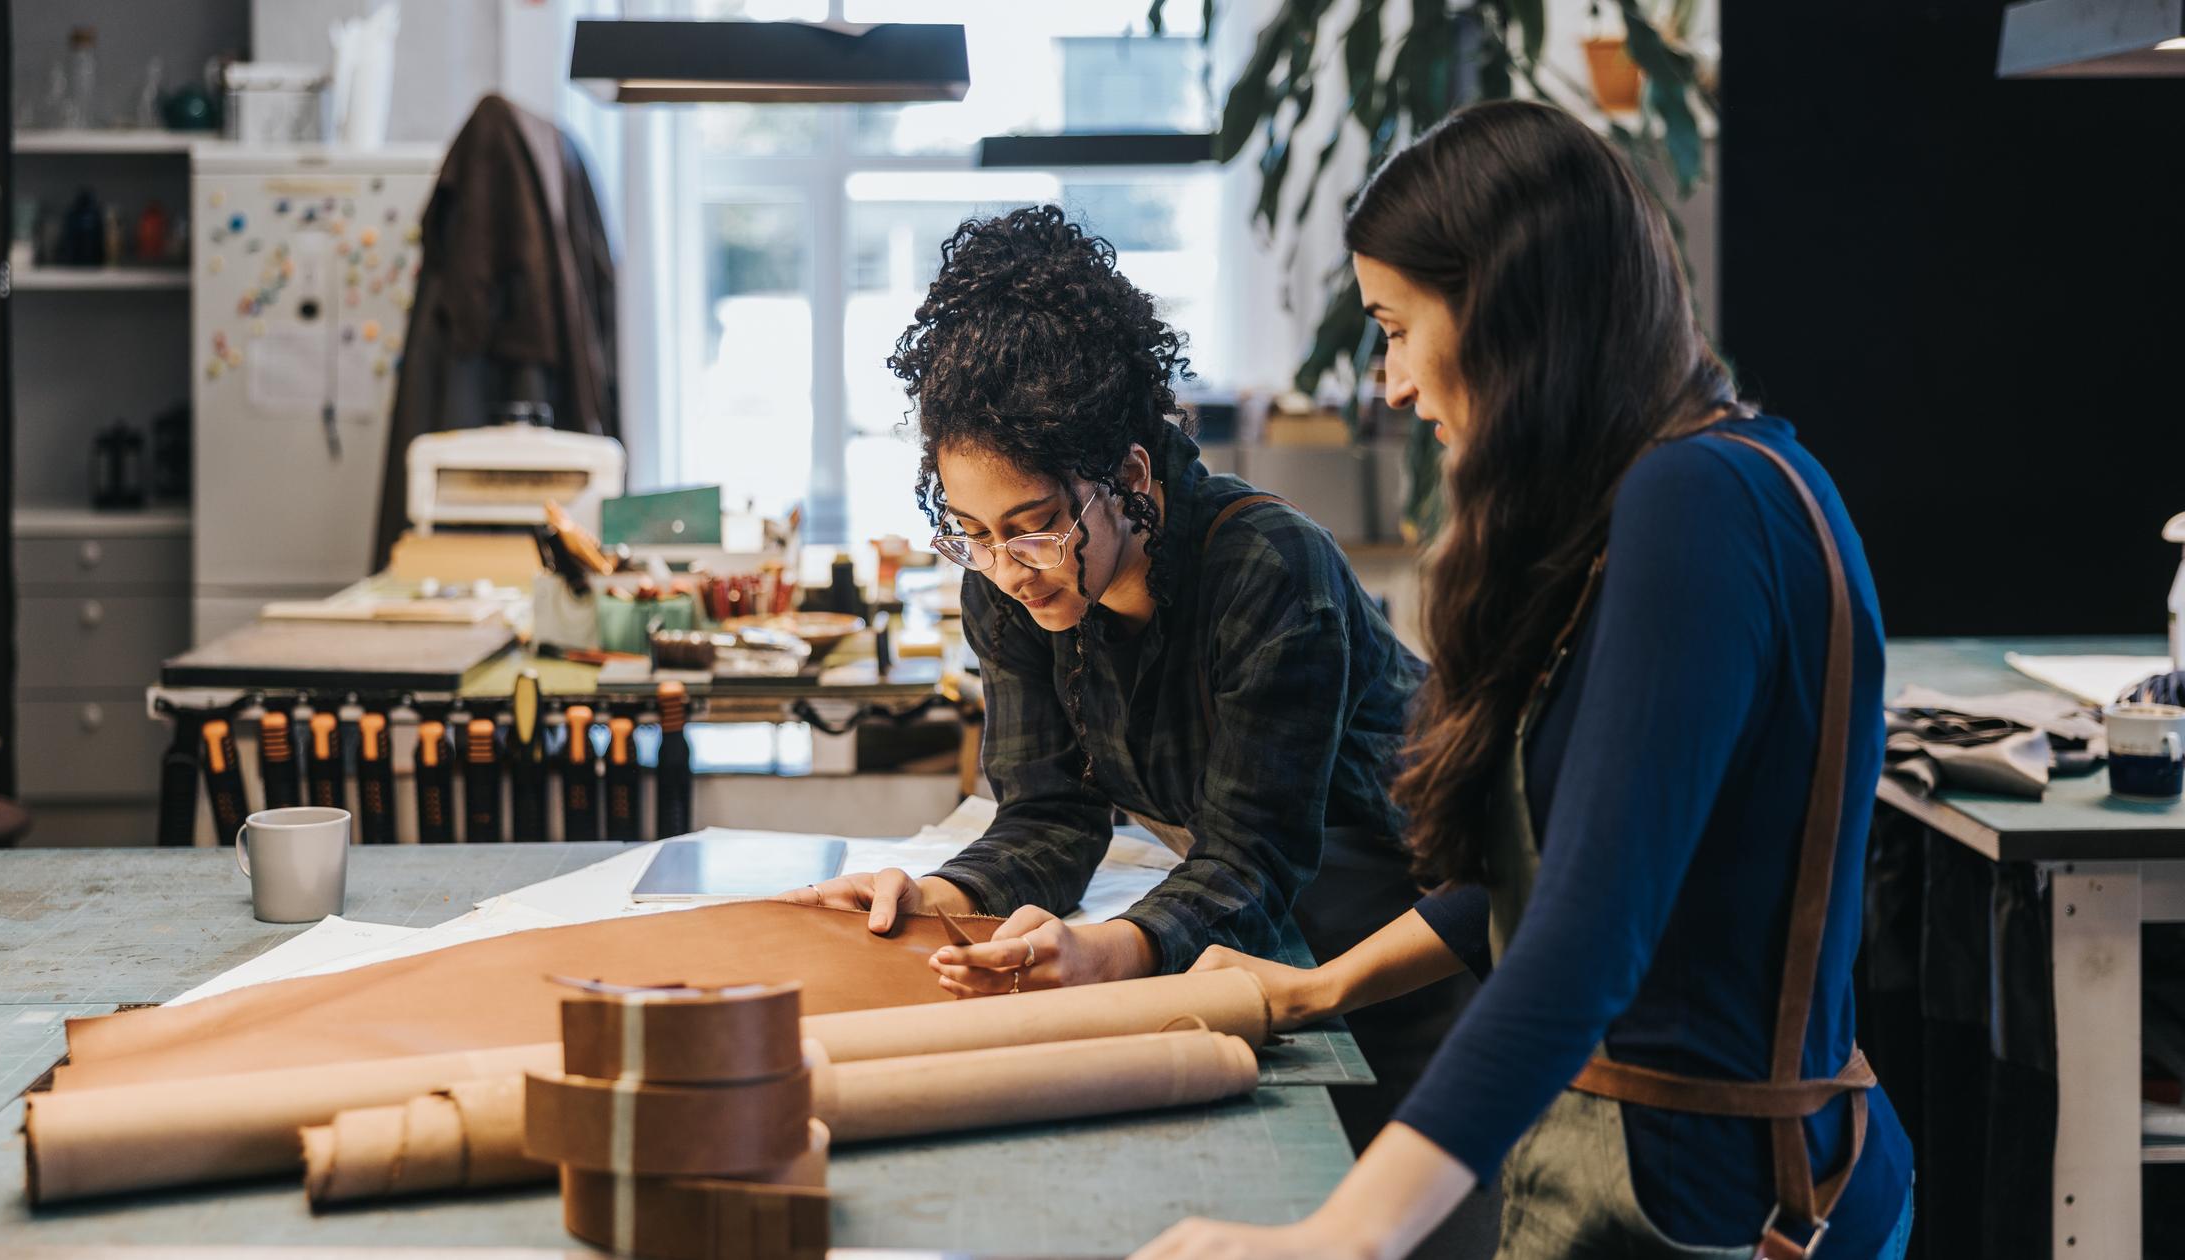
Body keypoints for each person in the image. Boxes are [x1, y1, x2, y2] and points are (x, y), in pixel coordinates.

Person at [1134, 101, 1914, 1260]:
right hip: (1708, 1180)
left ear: (1504, 312)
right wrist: (1317, 990)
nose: (1391, 383)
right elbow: (1556, 862)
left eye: (1395, 327)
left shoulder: (1692, 503)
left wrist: (1344, 1233)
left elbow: (1585, 932)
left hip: (1710, 1208)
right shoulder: (1706, 484)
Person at [780, 205, 1476, 1166]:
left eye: (1033, 525)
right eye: (972, 534)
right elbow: (1051, 816)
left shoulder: (1271, 569)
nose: (1008, 567)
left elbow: (1253, 858)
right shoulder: (1011, 583)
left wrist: (1112, 951)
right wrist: (943, 894)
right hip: (1249, 945)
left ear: (1130, 476)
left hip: (1402, 942)